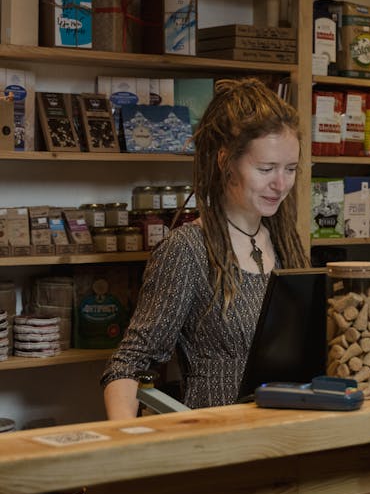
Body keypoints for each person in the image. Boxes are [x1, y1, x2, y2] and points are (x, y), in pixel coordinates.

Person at [101, 78, 307, 418]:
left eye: (290, 170)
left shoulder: (286, 243)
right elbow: (129, 364)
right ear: (225, 161)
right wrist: (123, 444)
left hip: (288, 436)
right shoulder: (188, 250)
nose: (281, 184)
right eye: (266, 169)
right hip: (218, 442)